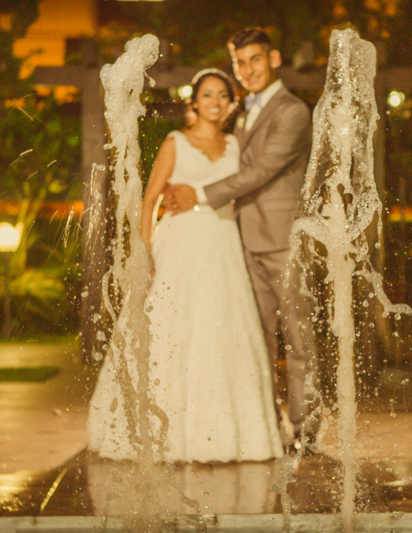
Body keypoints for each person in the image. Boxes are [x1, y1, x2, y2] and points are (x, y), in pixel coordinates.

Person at [87, 69, 283, 463]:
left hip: (223, 245)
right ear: (194, 102)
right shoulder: (176, 142)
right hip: (180, 246)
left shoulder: (235, 145)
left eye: (222, 95)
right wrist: (143, 255)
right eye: (206, 94)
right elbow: (149, 200)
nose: (214, 101)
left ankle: (228, 436)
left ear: (230, 104)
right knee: (170, 328)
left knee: (223, 333)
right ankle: (157, 433)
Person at [163, 28, 316, 450]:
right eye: (240, 63)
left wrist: (200, 194)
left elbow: (262, 170)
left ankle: (305, 431)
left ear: (274, 59)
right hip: (243, 240)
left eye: (255, 59)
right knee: (256, 339)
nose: (248, 70)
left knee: (299, 339)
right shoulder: (244, 111)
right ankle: (265, 427)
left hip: (284, 241)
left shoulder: (292, 111)